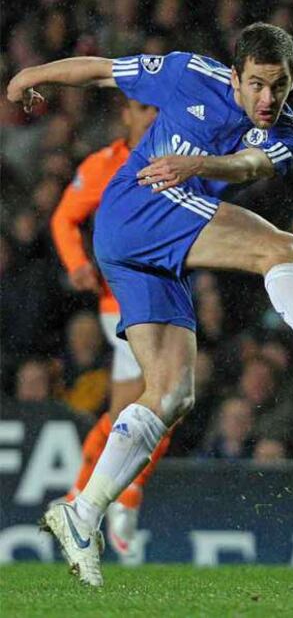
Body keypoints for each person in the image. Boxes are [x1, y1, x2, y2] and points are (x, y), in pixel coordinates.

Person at [8, 22, 293, 586]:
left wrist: (198, 166)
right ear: (235, 74)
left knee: (172, 393)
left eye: (280, 86)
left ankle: (83, 511)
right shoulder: (188, 73)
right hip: (137, 206)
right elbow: (101, 72)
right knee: (281, 247)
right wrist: (31, 74)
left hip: (144, 243)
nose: (267, 100)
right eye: (257, 85)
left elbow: (248, 166)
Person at [50, 99, 172, 557]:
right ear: (125, 115)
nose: (152, 117)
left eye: (159, 109)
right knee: (167, 395)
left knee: (140, 409)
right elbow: (64, 217)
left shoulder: (176, 161)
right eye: (143, 108)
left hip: (164, 298)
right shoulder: (105, 165)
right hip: (118, 302)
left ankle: (80, 496)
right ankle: (126, 492)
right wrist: (78, 264)